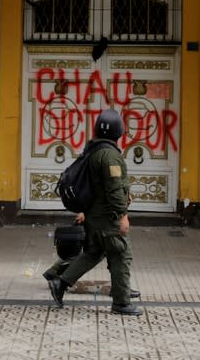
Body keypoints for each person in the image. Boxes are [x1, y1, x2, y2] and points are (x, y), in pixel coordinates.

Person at [47, 108, 142, 316]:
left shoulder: (94, 150)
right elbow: (115, 188)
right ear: (118, 131)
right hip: (107, 217)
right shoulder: (110, 155)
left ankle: (60, 282)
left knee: (94, 252)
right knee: (121, 253)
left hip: (94, 215)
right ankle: (121, 302)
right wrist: (123, 215)